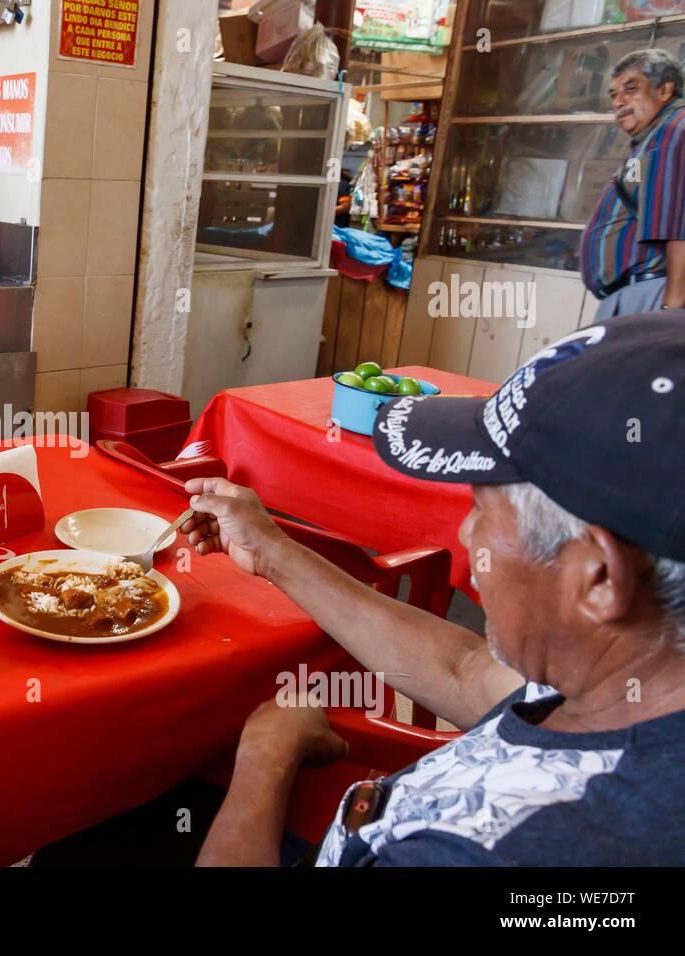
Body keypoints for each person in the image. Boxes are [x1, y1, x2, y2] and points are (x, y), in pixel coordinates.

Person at [186, 315, 685, 865]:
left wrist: (264, 756)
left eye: (485, 511)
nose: (468, 534)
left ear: (596, 578)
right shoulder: (625, 677)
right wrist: (272, 552)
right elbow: (466, 671)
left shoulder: (502, 850)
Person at [580, 49, 685, 320]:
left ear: (664, 91)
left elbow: (679, 230)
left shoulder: (671, 134)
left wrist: (669, 310)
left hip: (650, 295)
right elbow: (641, 192)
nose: (618, 102)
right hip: (639, 294)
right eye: (614, 95)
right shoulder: (650, 141)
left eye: (631, 89)